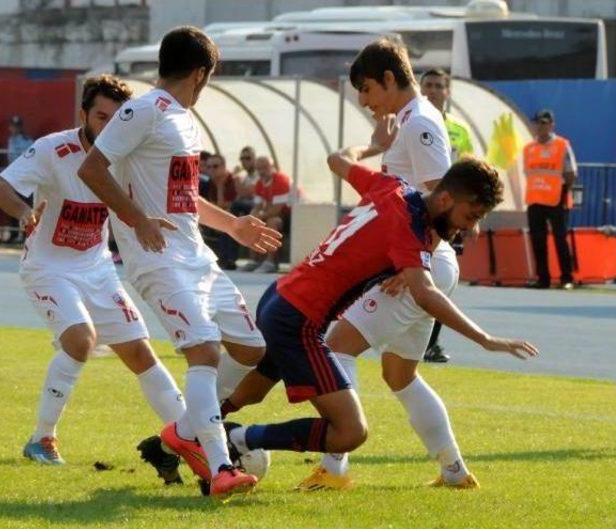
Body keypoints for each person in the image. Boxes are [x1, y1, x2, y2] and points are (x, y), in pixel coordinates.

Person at [221, 149, 537, 488]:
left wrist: (365, 149)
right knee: (350, 431)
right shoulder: (410, 229)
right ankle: (240, 440)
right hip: (297, 319)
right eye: (471, 216)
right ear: (445, 198)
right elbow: (426, 293)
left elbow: (336, 161)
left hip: (282, 295)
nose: (472, 229)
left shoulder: (391, 186)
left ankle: (190, 433)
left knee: (254, 389)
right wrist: (486, 340)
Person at [77, 26, 282, 498]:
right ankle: (218, 467)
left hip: (197, 256)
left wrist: (232, 226)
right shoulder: (143, 109)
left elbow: (184, 199)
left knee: (251, 350)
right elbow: (91, 168)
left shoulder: (183, 120)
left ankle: (183, 433)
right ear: (200, 73)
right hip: (157, 260)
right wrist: (136, 219)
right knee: (205, 352)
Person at [0, 75, 186, 466]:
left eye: (117, 118)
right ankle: (41, 440)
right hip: (48, 267)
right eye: (100, 116)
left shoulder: (128, 156)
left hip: (98, 270)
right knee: (81, 341)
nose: (108, 125)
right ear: (84, 114)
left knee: (141, 354)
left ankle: (189, 435)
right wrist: (25, 211)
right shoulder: (52, 149)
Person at [419, 67, 475, 363]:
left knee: (444, 277)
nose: (433, 90)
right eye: (428, 84)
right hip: (418, 209)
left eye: (439, 85)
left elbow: (469, 172)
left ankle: (431, 342)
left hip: (450, 216)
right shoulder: (413, 122)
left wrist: (472, 214)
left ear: (447, 91)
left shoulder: (459, 130)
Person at [524, 109, 576, 290]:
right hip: (535, 199)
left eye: (544, 123)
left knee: (560, 240)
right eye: (537, 122)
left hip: (556, 199)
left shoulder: (562, 145)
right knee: (538, 241)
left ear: (551, 125)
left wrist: (563, 192)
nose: (540, 126)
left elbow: (571, 173)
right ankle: (542, 279)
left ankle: (566, 278)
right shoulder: (528, 148)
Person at [241, 156, 292, 273]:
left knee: (272, 222)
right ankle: (253, 260)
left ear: (272, 167)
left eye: (265, 168)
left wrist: (258, 217)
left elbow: (277, 210)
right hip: (278, 215)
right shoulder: (259, 183)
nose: (262, 171)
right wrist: (252, 218)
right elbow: (257, 207)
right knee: (252, 222)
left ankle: (270, 262)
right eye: (259, 169)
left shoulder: (281, 179)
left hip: (294, 216)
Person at [203, 153, 239, 269]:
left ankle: (228, 260)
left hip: (237, 214)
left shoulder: (233, 181)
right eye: (208, 167)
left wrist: (220, 187)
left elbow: (228, 205)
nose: (211, 170)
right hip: (223, 213)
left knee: (225, 221)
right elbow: (215, 205)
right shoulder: (209, 183)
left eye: (215, 166)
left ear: (223, 167)